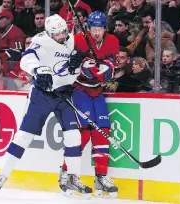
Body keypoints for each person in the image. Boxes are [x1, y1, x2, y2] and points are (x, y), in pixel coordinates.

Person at [0, 14, 92, 199]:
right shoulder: (40, 41)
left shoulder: (72, 42)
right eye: (56, 33)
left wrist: (74, 69)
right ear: (48, 33)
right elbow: (26, 59)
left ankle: (73, 177)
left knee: (74, 135)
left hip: (64, 95)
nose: (61, 36)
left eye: (63, 31)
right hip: (41, 95)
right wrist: (38, 70)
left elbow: (73, 75)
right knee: (24, 136)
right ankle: (2, 174)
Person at [59, 11, 119, 198]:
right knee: (84, 130)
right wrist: (82, 63)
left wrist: (106, 66)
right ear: (89, 28)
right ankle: (67, 174)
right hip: (80, 90)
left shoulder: (112, 41)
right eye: (93, 28)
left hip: (97, 92)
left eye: (100, 29)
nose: (96, 33)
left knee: (103, 130)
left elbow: (108, 73)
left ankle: (101, 175)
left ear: (104, 29)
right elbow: (66, 59)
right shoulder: (78, 39)